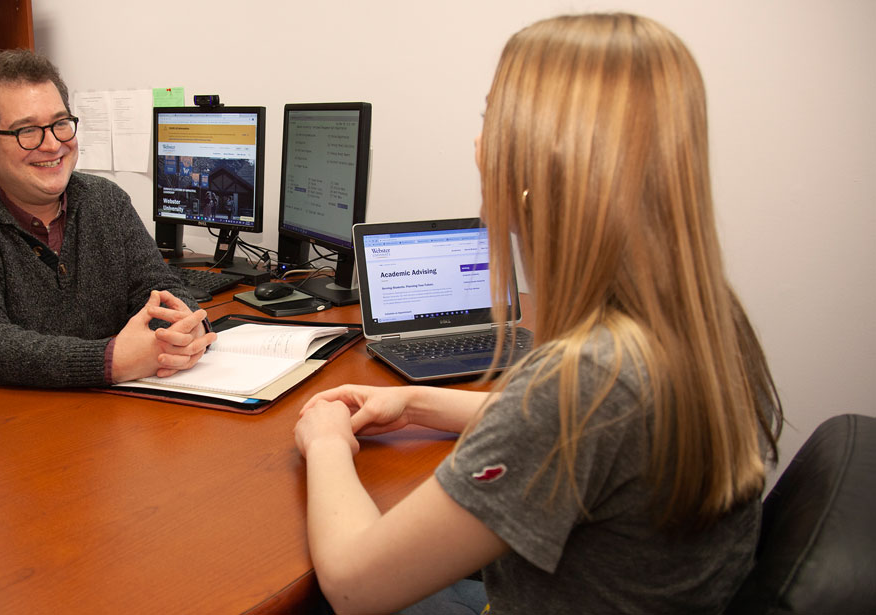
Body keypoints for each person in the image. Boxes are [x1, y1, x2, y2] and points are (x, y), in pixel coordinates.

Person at [294, 13, 783, 615]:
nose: (478, 146)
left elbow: (353, 586)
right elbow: (565, 431)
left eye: (491, 120)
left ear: (536, 164)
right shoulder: (700, 322)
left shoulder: (585, 381)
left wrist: (325, 443)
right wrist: (416, 404)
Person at [0, 49, 215, 388]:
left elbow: (161, 289)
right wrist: (111, 361)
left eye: (60, 124)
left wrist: (185, 329)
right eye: (27, 130)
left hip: (98, 407)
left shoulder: (106, 201)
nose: (52, 144)